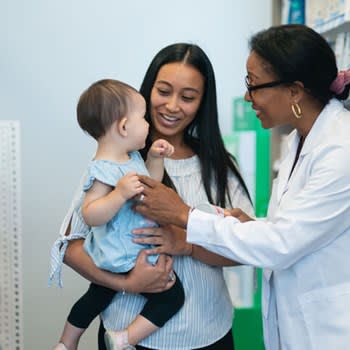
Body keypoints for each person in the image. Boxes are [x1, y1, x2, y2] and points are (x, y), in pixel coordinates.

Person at [133, 25, 350, 350]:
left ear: (294, 91)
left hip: (325, 331)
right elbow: (290, 229)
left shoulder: (340, 150)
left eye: (254, 85)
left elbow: (282, 243)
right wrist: (254, 226)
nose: (248, 97)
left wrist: (183, 216)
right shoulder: (298, 141)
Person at [51, 43, 253, 350]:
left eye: (187, 97)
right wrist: (126, 283)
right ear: (148, 91)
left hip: (209, 335)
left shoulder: (220, 166)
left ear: (202, 103)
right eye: (163, 91)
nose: (172, 106)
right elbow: (69, 246)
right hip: (123, 335)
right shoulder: (115, 161)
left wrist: (185, 242)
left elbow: (245, 247)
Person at [50, 79, 185, 350]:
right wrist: (118, 195)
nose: (148, 124)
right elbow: (90, 214)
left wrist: (155, 160)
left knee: (97, 297)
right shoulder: (102, 169)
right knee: (173, 296)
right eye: (144, 117)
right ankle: (119, 338)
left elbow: (150, 186)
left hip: (129, 250)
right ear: (124, 126)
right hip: (119, 253)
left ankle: (68, 342)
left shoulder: (132, 157)